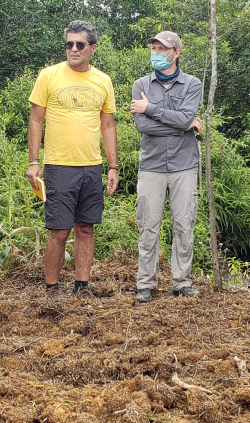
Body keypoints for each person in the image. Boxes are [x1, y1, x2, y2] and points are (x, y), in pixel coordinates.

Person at [26, 20, 118, 299]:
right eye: (69, 44)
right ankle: (52, 290)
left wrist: (113, 166)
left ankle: (82, 286)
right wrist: (33, 161)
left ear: (92, 48)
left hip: (92, 165)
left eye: (80, 44)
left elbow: (108, 125)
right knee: (59, 230)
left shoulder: (103, 80)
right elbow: (36, 119)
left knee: (86, 227)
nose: (73, 49)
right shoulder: (49, 76)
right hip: (59, 165)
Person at [130, 31, 203, 302]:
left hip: (185, 165)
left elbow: (183, 115)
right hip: (152, 165)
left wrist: (150, 108)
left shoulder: (192, 84)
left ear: (176, 53)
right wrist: (183, 126)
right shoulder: (141, 84)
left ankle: (181, 282)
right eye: (154, 48)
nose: (157, 53)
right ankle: (145, 284)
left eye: (163, 49)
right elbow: (142, 125)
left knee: (184, 223)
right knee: (148, 225)